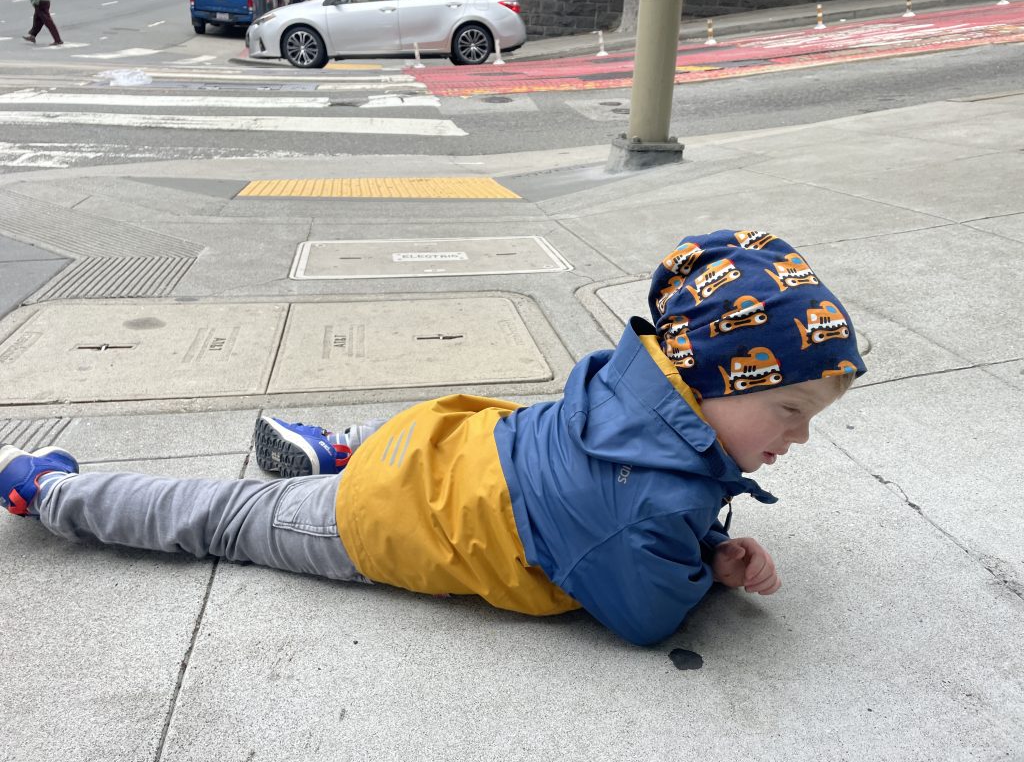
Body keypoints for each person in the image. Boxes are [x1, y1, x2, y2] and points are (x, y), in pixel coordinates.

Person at [0, 229, 865, 646]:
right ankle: (47, 490)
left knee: (450, 441)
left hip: (442, 439)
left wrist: (704, 537)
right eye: (789, 410)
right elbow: (647, 613)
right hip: (380, 517)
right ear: (715, 382)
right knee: (220, 517)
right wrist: (710, 568)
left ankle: (336, 447)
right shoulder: (650, 505)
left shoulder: (631, 374)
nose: (798, 438)